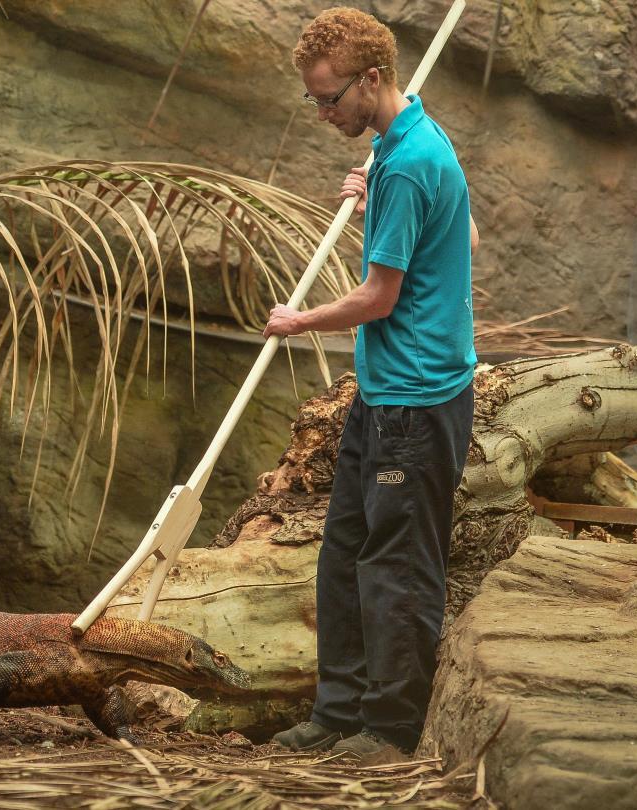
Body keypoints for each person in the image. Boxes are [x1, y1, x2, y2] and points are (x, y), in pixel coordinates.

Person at [264, 7, 478, 765]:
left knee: (397, 566)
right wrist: (377, 179)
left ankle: (388, 730)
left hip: (417, 403)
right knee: (345, 551)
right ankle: (338, 709)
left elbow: (378, 298)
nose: (324, 114)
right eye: (315, 101)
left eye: (330, 99)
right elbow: (463, 233)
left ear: (374, 79)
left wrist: (299, 321)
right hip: (382, 392)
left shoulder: (412, 160)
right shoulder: (402, 146)